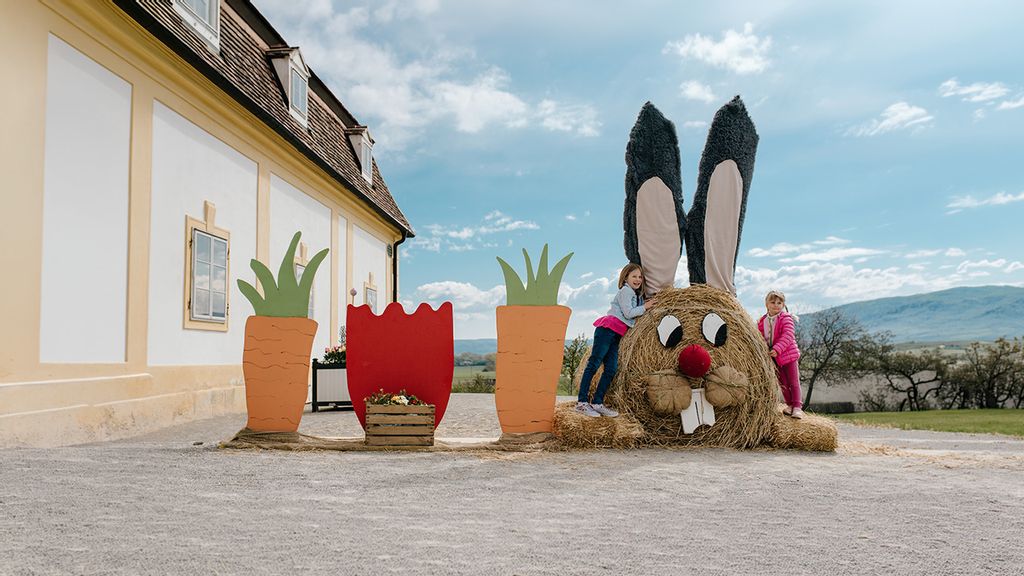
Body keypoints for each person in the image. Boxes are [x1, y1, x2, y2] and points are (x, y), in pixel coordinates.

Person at [576, 263, 657, 417]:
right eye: (634, 276)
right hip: (607, 330)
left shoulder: (634, 294)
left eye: (640, 277)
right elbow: (628, 313)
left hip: (615, 334)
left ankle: (597, 402)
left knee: (611, 369)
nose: (638, 279)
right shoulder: (626, 291)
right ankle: (581, 403)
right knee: (594, 364)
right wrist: (646, 306)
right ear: (625, 277)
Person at [758, 290, 804, 419]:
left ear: (783, 305)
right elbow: (761, 337)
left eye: (779, 302)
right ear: (766, 304)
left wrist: (777, 349)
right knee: (782, 383)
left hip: (788, 355)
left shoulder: (786, 318)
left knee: (793, 382)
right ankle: (789, 405)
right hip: (775, 358)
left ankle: (797, 407)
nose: (776, 305)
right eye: (773, 302)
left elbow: (788, 335)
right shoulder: (762, 321)